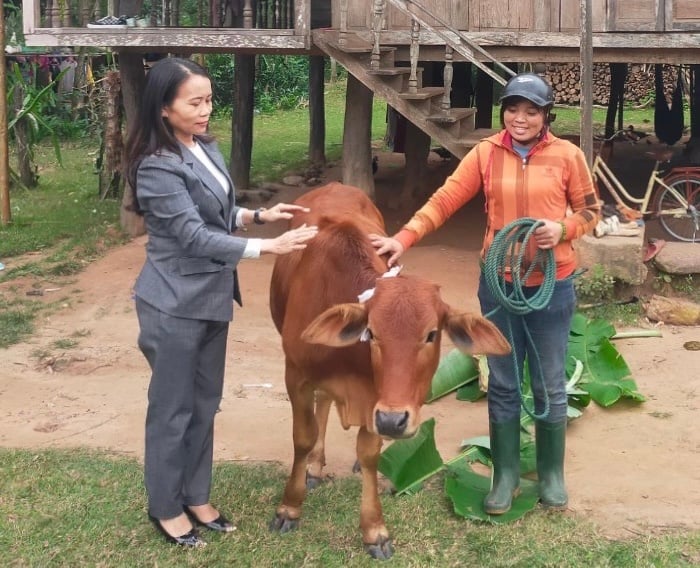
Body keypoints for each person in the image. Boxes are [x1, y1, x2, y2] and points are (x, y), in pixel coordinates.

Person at [371, 72, 601, 515]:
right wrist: (402, 239)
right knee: (503, 381)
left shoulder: (568, 155)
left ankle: (552, 475)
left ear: (546, 116)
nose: (520, 118)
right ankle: (506, 475)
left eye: (531, 111)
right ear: (503, 112)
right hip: (499, 287)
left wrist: (565, 228)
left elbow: (591, 209)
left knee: (550, 382)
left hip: (552, 287)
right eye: (513, 109)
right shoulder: (485, 153)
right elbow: (445, 199)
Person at [124, 56, 317, 547]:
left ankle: (197, 494)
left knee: (205, 403)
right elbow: (190, 234)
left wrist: (258, 215)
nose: (207, 109)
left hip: (211, 299)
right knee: (173, 408)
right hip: (172, 304)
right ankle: (165, 507)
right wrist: (268, 248)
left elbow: (216, 211)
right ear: (165, 108)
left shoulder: (203, 147)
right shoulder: (155, 166)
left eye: (209, 99)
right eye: (195, 102)